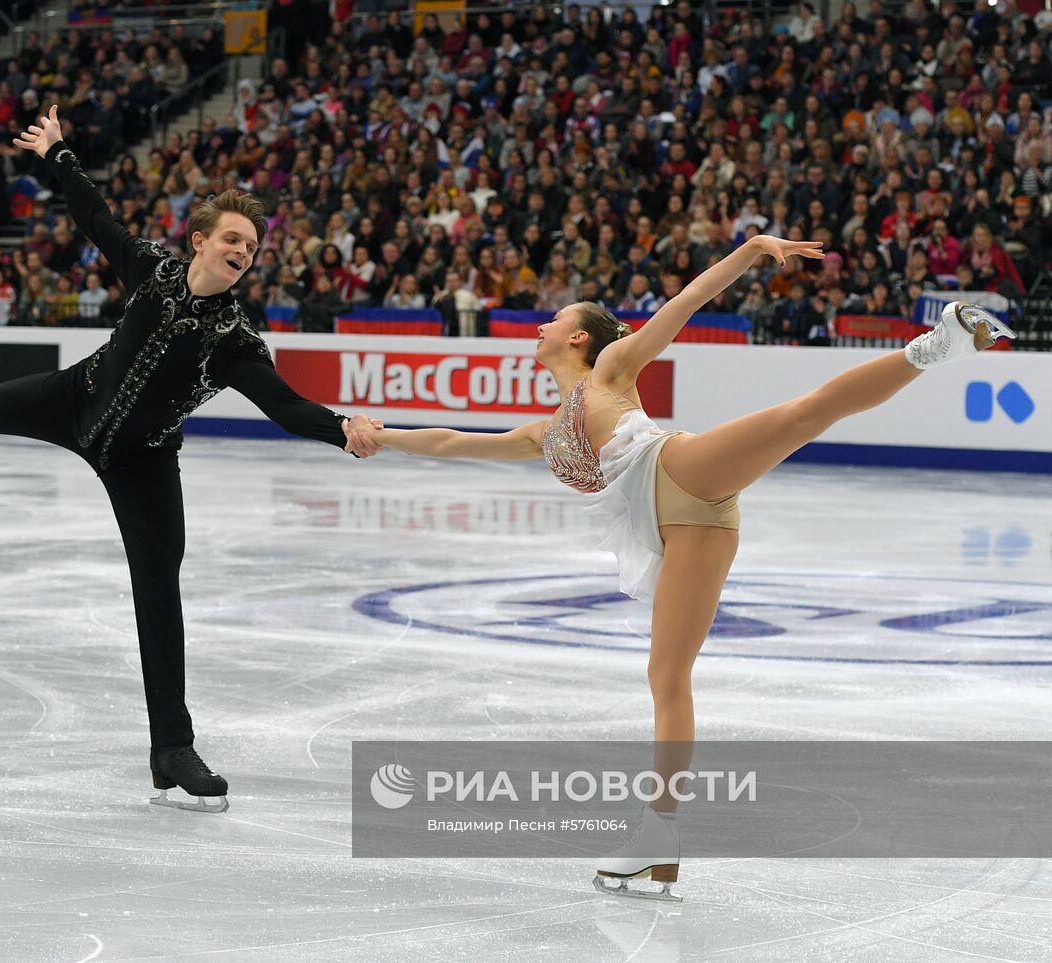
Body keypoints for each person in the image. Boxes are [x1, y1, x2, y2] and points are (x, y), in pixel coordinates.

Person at [349, 234, 1014, 898]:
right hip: (684, 527)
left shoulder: (611, 367)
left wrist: (752, 248)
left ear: (581, 339)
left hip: (675, 468)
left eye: (558, 317)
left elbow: (688, 300)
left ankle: (937, 344)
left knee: (801, 414)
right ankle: (658, 837)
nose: (545, 322)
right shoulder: (543, 431)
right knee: (667, 677)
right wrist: (386, 436)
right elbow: (454, 441)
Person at [0, 106, 381, 814]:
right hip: (72, 399)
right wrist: (57, 152)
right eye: (233, 237)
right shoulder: (153, 270)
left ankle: (171, 749)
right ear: (201, 241)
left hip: (143, 460)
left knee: (160, 593)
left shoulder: (237, 343)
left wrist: (341, 427)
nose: (244, 249)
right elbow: (96, 217)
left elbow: (285, 407)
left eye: (253, 243)